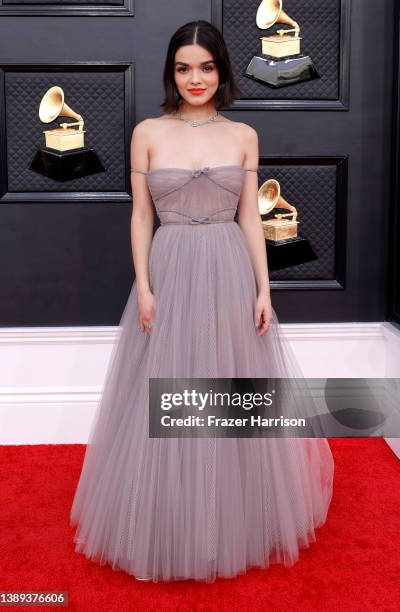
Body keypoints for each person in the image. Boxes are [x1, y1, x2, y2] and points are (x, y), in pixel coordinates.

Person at [70, 20, 334, 584]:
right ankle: (162, 522)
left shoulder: (242, 135)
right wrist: (144, 284)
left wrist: (265, 290)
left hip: (228, 268)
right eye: (184, 68)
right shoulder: (148, 131)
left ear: (222, 71)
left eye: (207, 67)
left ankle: (226, 523)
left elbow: (249, 217)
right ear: (171, 71)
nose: (196, 79)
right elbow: (141, 214)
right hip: (169, 266)